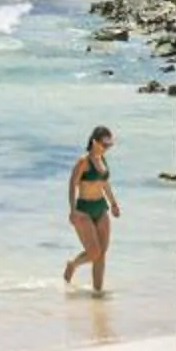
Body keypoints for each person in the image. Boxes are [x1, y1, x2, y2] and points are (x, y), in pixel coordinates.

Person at [62, 125, 118, 294]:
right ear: (94, 142)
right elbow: (72, 185)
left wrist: (114, 203)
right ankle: (73, 264)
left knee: (102, 254)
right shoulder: (83, 162)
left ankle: (97, 293)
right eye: (105, 144)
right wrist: (72, 210)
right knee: (94, 253)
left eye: (110, 144)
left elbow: (104, 184)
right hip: (84, 210)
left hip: (100, 207)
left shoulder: (103, 160)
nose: (107, 148)